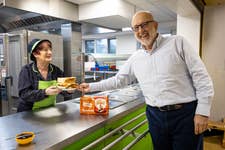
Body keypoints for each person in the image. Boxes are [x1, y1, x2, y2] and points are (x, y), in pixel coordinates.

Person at [79, 11, 214, 150]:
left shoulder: (177, 43)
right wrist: (89, 87)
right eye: (136, 28)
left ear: (155, 25)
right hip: (155, 117)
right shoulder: (136, 57)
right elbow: (119, 80)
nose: (141, 31)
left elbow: (201, 77)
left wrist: (202, 112)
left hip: (185, 115)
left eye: (144, 25)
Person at [17, 39, 72, 112]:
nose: (49, 52)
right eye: (45, 50)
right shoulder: (26, 70)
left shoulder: (56, 70)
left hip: (49, 110)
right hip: (28, 112)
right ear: (35, 54)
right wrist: (45, 92)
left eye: (50, 49)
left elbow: (65, 90)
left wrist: (69, 90)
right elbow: (24, 94)